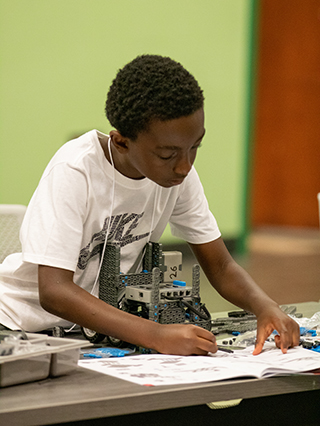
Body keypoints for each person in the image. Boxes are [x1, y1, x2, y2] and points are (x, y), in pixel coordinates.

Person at [0, 55, 299, 356]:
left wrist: (265, 306)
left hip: (89, 334)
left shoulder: (178, 177)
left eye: (195, 147)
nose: (184, 166)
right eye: (167, 155)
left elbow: (220, 265)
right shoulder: (75, 170)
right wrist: (155, 334)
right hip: (17, 326)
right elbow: (55, 291)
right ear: (121, 142)